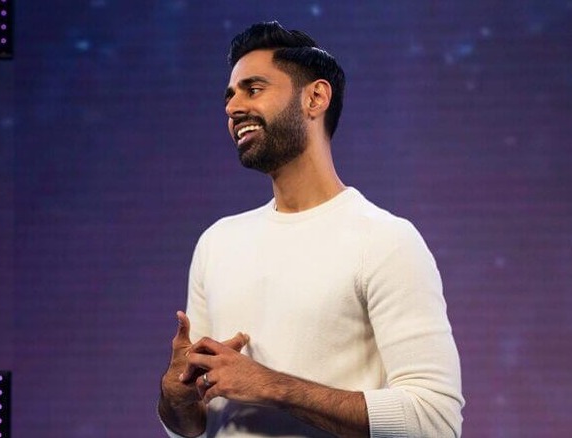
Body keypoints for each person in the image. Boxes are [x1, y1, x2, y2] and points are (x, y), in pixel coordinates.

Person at [158, 21, 464, 437]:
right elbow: (194, 428)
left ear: (315, 97)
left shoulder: (385, 240)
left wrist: (271, 386)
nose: (232, 108)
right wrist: (177, 399)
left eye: (253, 88)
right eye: (229, 96)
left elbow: (434, 421)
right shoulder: (217, 242)